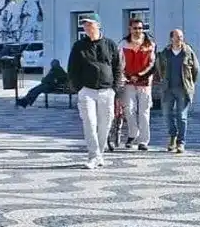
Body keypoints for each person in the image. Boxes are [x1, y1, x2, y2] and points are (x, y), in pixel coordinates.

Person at [66, 17, 120, 169]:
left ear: (98, 26)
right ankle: (93, 156)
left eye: (90, 24)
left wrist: (114, 88)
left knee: (105, 124)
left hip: (107, 90)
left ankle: (99, 154)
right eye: (84, 25)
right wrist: (79, 88)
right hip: (87, 91)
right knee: (89, 122)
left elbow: (117, 67)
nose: (86, 27)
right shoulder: (79, 46)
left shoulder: (110, 44)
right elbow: (72, 69)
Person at [112, 19, 156, 151]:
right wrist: (125, 76)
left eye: (140, 28)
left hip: (144, 83)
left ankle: (144, 140)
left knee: (144, 112)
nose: (138, 31)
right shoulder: (123, 44)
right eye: (135, 28)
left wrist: (141, 75)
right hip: (128, 81)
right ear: (130, 29)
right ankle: (133, 133)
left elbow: (152, 64)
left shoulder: (150, 44)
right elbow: (118, 62)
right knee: (129, 109)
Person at [158, 28, 200, 153]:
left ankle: (181, 142)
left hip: (183, 89)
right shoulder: (165, 53)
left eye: (181, 36)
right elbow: (160, 68)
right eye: (177, 37)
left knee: (181, 116)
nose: (179, 39)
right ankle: (172, 136)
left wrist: (190, 84)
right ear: (171, 38)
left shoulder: (188, 52)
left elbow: (196, 70)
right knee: (167, 115)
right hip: (168, 89)